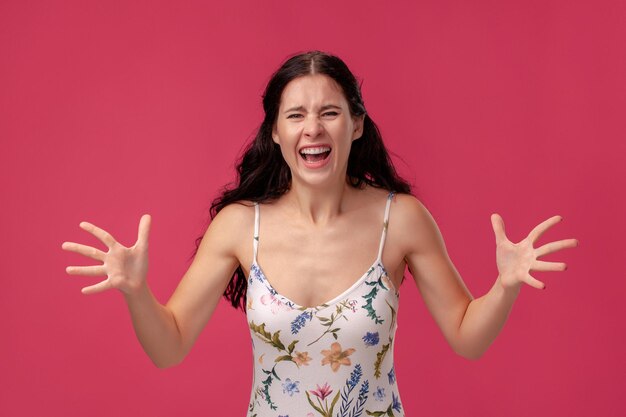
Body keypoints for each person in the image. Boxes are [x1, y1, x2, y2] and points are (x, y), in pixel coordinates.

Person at [62, 50, 578, 416]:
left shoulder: (401, 219)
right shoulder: (241, 226)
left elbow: (467, 338)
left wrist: (505, 286)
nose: (313, 127)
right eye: (296, 115)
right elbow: (168, 347)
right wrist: (135, 293)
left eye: (330, 112)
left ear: (355, 125)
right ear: (276, 132)